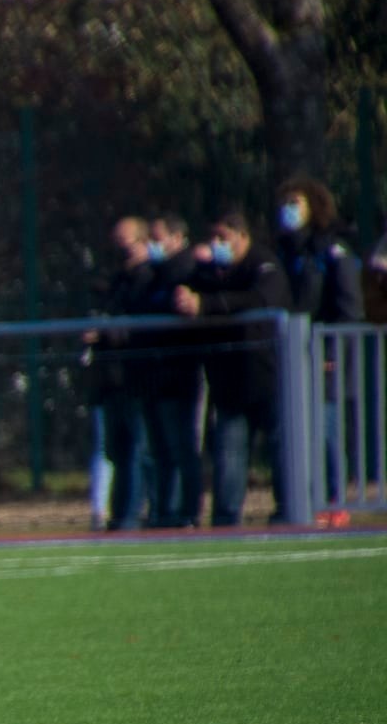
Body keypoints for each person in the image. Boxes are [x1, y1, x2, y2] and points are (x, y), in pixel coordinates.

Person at [175, 210, 292, 526]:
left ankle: (290, 513)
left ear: (242, 236)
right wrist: (187, 286)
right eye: (212, 237)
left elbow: (263, 298)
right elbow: (186, 290)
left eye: (223, 237)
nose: (216, 244)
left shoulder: (263, 264)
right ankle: (226, 521)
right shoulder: (209, 272)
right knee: (228, 456)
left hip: (268, 377)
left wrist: (207, 305)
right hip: (228, 384)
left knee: (282, 450)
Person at [274, 177, 365, 502]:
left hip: (325, 361)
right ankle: (294, 504)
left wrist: (331, 353)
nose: (287, 210)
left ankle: (332, 502)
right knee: (290, 434)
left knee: (326, 433)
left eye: (295, 203)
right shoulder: (283, 252)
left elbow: (349, 309)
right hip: (290, 357)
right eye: (284, 203)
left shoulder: (332, 252)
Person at [89, 217, 154, 531]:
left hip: (138, 377)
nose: (120, 249)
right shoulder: (115, 282)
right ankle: (120, 514)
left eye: (126, 242)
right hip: (112, 379)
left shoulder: (148, 279)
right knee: (117, 451)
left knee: (140, 450)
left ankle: (135, 514)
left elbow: (138, 329)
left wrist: (105, 334)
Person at [138, 213, 204, 528]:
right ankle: (164, 510)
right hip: (154, 375)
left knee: (181, 447)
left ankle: (186, 510)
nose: (151, 245)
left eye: (157, 238)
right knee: (160, 449)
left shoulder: (186, 271)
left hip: (177, 374)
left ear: (177, 239)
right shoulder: (153, 275)